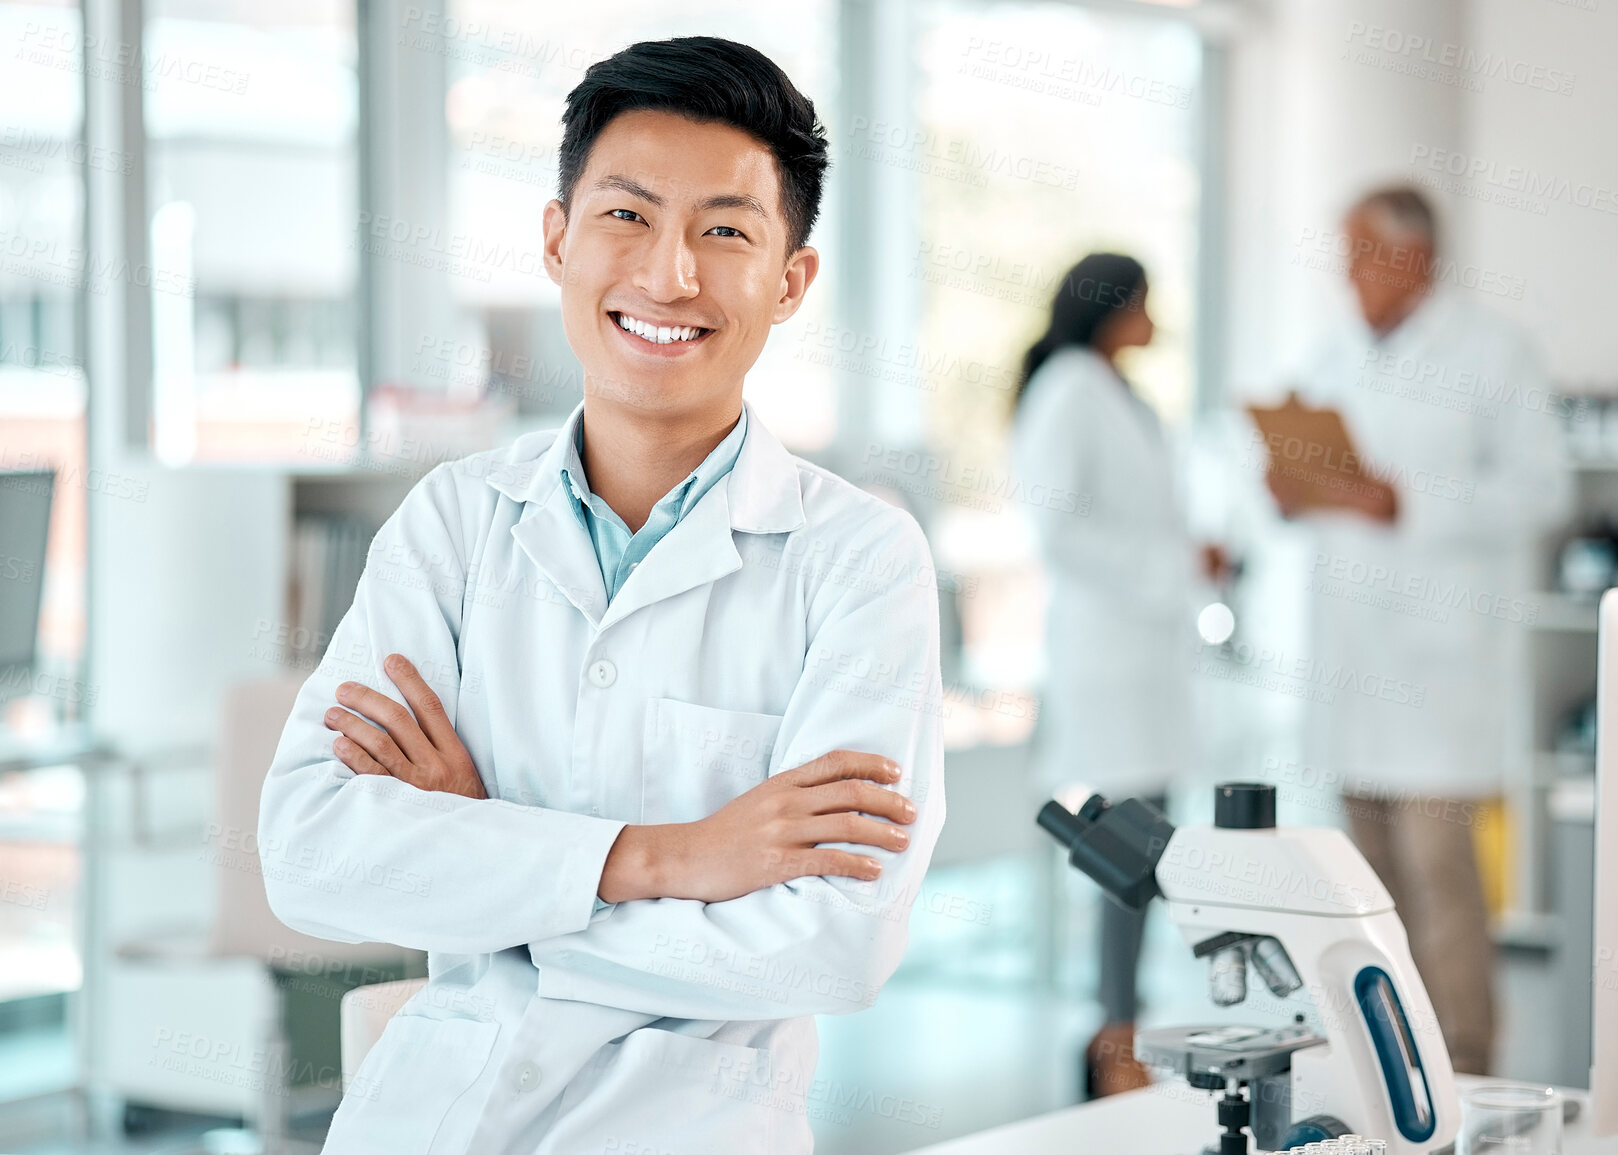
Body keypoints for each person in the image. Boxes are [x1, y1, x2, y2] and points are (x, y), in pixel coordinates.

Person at [257, 38, 945, 1154]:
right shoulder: (455, 521)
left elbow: (831, 945)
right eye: (627, 215)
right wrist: (672, 856)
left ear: (790, 280)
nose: (670, 274)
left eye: (725, 230)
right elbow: (308, 853)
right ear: (556, 239)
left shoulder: (860, 559)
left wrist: (489, 863)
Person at [1273, 186, 1569, 1075]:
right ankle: (1393, 1069)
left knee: (1444, 892)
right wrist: (1286, 490)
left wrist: (1411, 502)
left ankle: (1469, 1072)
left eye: (1360, 252)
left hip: (1440, 682)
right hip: (1351, 671)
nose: (1346, 272)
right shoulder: (1330, 354)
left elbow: (1542, 490)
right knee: (1367, 897)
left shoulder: (1493, 352)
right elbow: (1320, 483)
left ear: (1413, 258)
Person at [1010, 253, 1220, 1098]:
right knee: (1125, 858)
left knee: (1141, 852)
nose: (1156, 320)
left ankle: (1119, 1025)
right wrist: (1171, 563)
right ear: (1114, 306)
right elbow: (1058, 531)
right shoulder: (1068, 388)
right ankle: (1112, 1035)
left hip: (1144, 659)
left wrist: (1186, 558)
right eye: (1146, 303)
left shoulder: (1116, 389)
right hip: (1106, 657)